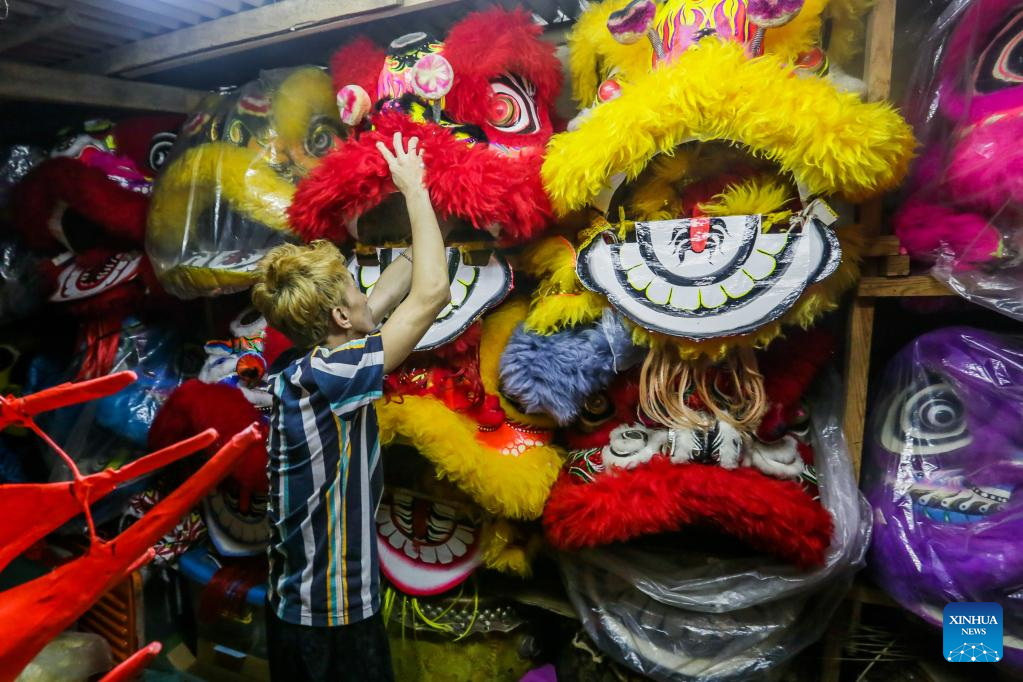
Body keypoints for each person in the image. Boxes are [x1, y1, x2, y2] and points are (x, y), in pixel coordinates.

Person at [251, 132, 450, 682]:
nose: (365, 293)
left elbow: (399, 281)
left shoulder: (311, 360)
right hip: (327, 615)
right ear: (341, 318)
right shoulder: (332, 374)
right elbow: (431, 295)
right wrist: (413, 188)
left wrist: (435, 193)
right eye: (352, 290)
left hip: (301, 604)